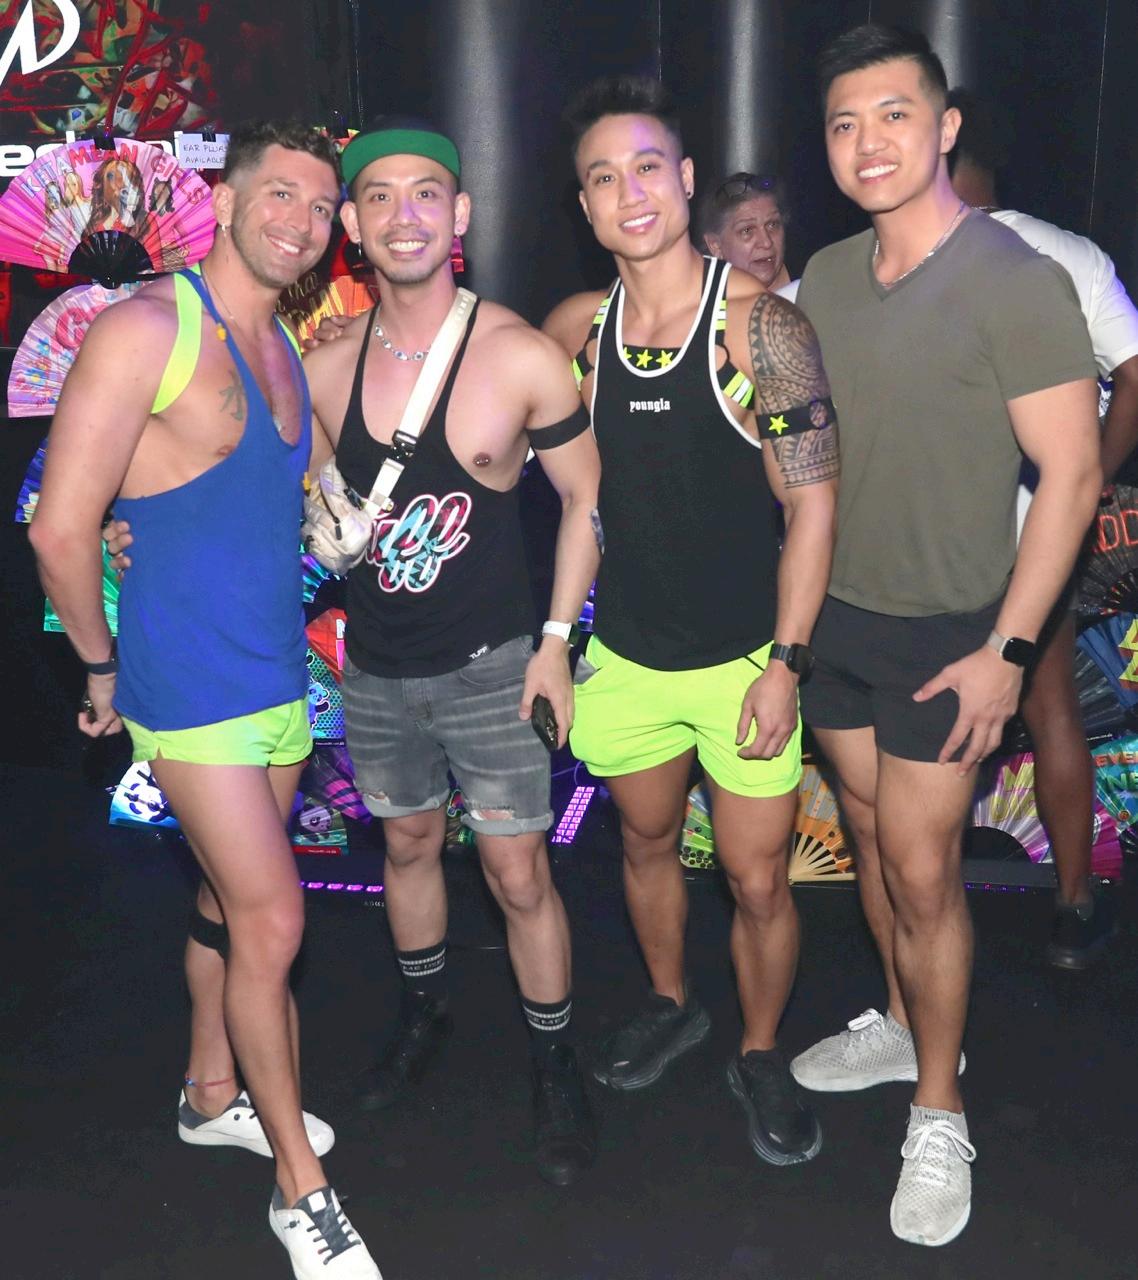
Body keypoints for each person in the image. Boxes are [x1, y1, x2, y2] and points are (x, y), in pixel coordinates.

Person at [30, 121, 383, 1280]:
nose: (300, 220)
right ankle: (300, 1185)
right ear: (225, 200)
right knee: (274, 920)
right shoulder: (147, 327)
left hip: (275, 668)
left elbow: (262, 501)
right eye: (278, 193)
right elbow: (60, 525)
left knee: (231, 906)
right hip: (187, 685)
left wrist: (334, 519)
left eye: (319, 205)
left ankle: (209, 1088)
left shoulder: (278, 344)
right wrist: (100, 667)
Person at [789, 25, 1102, 1247]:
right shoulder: (822, 277)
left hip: (950, 634)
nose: (867, 142)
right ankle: (899, 1020)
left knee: (923, 872)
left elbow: (1072, 475)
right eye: (843, 122)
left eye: (893, 115)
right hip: (838, 622)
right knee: (870, 841)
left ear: (944, 126)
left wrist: (1009, 653)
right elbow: (811, 454)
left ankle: (937, 1102)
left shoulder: (1016, 279)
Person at [300, 119, 602, 1188]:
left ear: (460, 213)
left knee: (519, 870)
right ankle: (423, 1011)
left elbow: (585, 501)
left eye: (426, 192)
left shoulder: (520, 354)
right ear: (352, 223)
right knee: (408, 847)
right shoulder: (324, 366)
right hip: (376, 666)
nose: (405, 215)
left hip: (492, 662)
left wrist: (556, 644)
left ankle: (554, 1059)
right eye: (379, 197)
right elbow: (280, 491)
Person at [543, 76, 839, 1167]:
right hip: (625, 655)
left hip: (744, 661)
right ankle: (671, 1002)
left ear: (684, 178)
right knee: (644, 842)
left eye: (647, 168)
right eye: (603, 177)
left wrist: (786, 665)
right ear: (584, 206)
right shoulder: (575, 331)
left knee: (758, 879)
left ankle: (760, 1049)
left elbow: (814, 506)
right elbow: (486, 439)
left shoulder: (763, 325)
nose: (630, 193)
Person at [949, 85, 1138, 967]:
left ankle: (927, 910)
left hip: (933, 538)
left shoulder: (902, 255)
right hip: (1039, 537)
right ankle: (1072, 907)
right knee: (1052, 708)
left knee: (929, 720)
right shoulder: (1069, 254)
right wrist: (1086, 480)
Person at [699, 171, 792, 293]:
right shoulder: (706, 303)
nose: (766, 243)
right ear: (715, 246)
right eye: (747, 230)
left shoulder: (813, 288)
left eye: (772, 224)